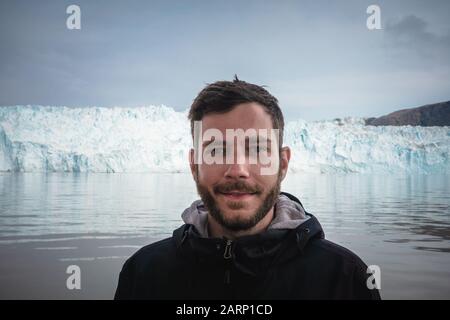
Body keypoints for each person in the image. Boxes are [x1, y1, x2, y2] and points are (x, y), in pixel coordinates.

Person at [114, 77, 381, 300]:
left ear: (283, 163)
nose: (237, 169)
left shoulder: (344, 280)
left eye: (257, 149)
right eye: (217, 150)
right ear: (194, 165)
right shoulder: (144, 275)